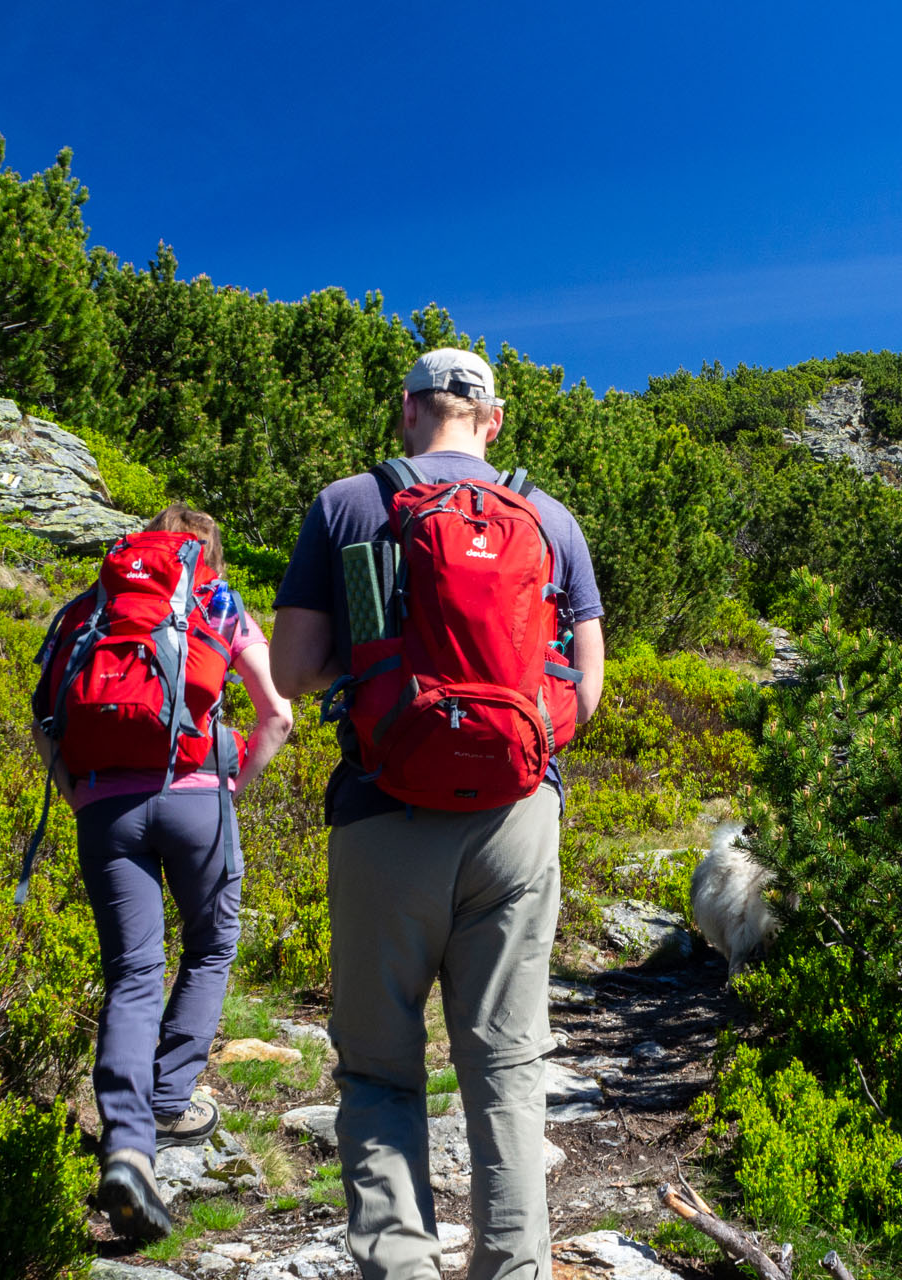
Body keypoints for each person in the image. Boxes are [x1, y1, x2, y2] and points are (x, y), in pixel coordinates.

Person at [270, 348, 605, 1280]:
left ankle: (402, 1267)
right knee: (506, 1068)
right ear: (493, 420)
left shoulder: (348, 505)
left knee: (380, 1069)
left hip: (383, 814)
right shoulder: (551, 519)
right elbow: (593, 686)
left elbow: (290, 671)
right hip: (519, 818)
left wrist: (387, 680)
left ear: (407, 410)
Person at [32, 502, 295, 1240]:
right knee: (211, 945)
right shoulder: (217, 602)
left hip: (104, 809)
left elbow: (44, 719)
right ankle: (172, 1099)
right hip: (198, 801)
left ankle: (126, 1146)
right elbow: (277, 715)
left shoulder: (88, 610)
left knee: (133, 973)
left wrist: (84, 796)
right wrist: (228, 787)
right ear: (202, 553)